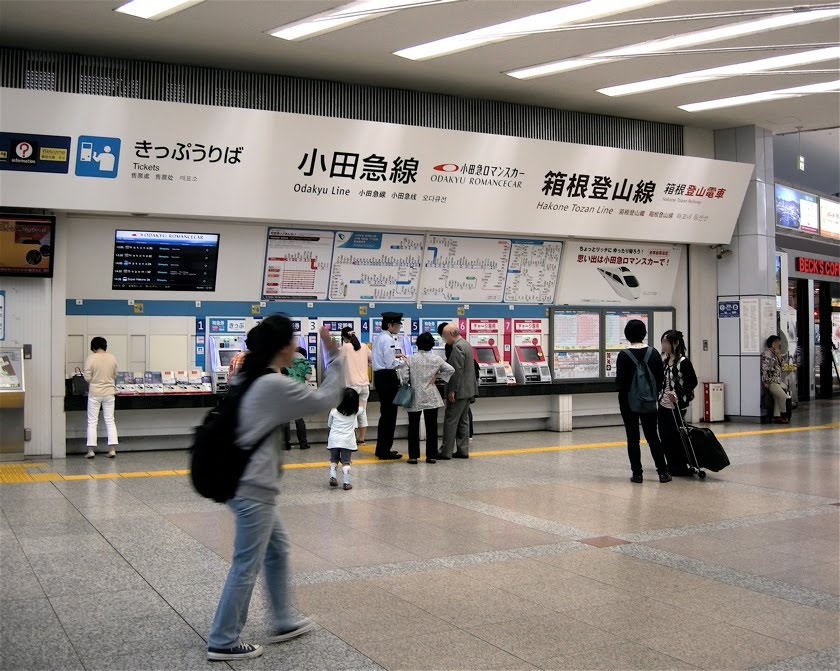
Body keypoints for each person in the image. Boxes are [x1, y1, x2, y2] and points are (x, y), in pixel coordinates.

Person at [207, 316, 344, 662]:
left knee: (277, 549)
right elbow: (326, 398)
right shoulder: (271, 384)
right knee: (246, 562)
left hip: (249, 484)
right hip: (252, 488)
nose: (297, 346)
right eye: (293, 341)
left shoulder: (255, 377)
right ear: (282, 347)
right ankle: (223, 639)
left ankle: (283, 619)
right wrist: (335, 354)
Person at [615, 319, 671, 484]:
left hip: (628, 402)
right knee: (653, 436)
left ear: (627, 335)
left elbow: (620, 382)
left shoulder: (623, 355)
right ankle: (663, 472)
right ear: (644, 334)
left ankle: (637, 474)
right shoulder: (653, 353)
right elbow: (660, 379)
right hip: (649, 401)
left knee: (632, 438)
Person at [398, 332, 454, 464]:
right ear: (431, 345)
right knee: (432, 426)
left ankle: (413, 456)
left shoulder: (410, 359)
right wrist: (437, 376)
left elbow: (404, 378)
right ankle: (431, 456)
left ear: (417, 344)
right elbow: (451, 370)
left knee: (413, 426)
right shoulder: (436, 359)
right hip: (431, 396)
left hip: (415, 396)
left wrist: (408, 382)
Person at [657, 330, 698, 476]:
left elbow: (692, 382)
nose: (663, 345)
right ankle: (670, 463)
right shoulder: (665, 361)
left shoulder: (683, 362)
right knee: (664, 434)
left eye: (666, 342)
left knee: (676, 435)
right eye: (662, 342)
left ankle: (680, 464)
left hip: (677, 404)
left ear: (675, 343)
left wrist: (678, 393)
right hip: (663, 403)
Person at [440, 324, 478, 459]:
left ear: (450, 334)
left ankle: (446, 452)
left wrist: (452, 391)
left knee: (451, 420)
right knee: (463, 420)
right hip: (469, 390)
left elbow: (456, 371)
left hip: (459, 391)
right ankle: (463, 450)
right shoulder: (466, 344)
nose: (444, 339)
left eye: (444, 336)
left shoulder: (457, 347)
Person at [372, 312, 406, 460]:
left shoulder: (379, 338)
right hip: (387, 377)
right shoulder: (387, 339)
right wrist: (405, 362)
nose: (398, 327)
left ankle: (382, 448)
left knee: (385, 414)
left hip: (380, 377)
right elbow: (390, 363)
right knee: (389, 415)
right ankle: (385, 450)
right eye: (397, 325)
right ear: (390, 325)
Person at [83, 336, 119, 458]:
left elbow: (87, 377)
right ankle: (112, 450)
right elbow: (115, 375)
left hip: (95, 393)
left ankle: (91, 451)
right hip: (109, 393)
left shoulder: (91, 358)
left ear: (93, 347)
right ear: (105, 346)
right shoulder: (112, 358)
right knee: (110, 420)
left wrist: (95, 381)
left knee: (92, 422)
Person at [340, 326, 371, 445]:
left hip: (352, 387)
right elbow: (373, 359)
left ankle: (351, 438)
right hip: (364, 386)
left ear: (343, 337)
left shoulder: (345, 347)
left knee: (350, 413)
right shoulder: (364, 346)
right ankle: (361, 439)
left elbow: (334, 362)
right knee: (362, 412)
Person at [327, 388, 361, 490]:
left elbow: (329, 425)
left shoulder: (333, 412)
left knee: (334, 460)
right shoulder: (356, 412)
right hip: (347, 441)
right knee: (346, 462)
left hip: (334, 440)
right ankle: (346, 483)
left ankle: (333, 476)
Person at [280, 347, 311, 450]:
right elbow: (308, 377)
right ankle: (303, 443)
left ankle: (286, 444)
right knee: (299, 419)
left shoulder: (285, 360)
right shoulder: (305, 362)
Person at [762, 335, 789, 424]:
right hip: (771, 382)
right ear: (773, 343)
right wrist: (766, 382)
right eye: (777, 342)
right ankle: (783, 415)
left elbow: (783, 365)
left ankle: (777, 416)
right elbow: (766, 368)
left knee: (778, 397)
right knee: (782, 396)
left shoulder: (776, 353)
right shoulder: (767, 354)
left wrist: (779, 356)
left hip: (777, 380)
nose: (779, 345)